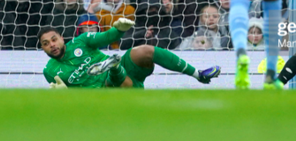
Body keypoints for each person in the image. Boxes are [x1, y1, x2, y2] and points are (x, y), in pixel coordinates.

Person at [41, 18, 220, 89]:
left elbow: (107, 36)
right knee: (117, 83)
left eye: (54, 39)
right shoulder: (50, 71)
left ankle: (199, 74)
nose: (52, 45)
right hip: (106, 92)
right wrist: (66, 95)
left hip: (127, 70)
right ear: (42, 48)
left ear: (62, 38)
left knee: (145, 51)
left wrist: (118, 29)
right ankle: (114, 68)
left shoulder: (81, 41)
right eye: (46, 44)